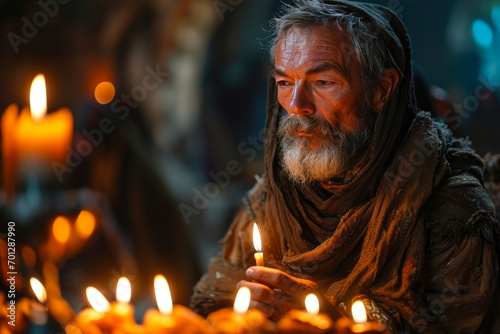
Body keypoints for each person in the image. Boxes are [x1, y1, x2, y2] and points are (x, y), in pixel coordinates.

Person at [190, 0, 500, 332]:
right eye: (284, 83)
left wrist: (328, 321)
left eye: (323, 83)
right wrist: (241, 312)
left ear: (382, 90)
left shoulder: (448, 205)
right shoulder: (273, 200)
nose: (297, 106)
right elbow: (210, 305)